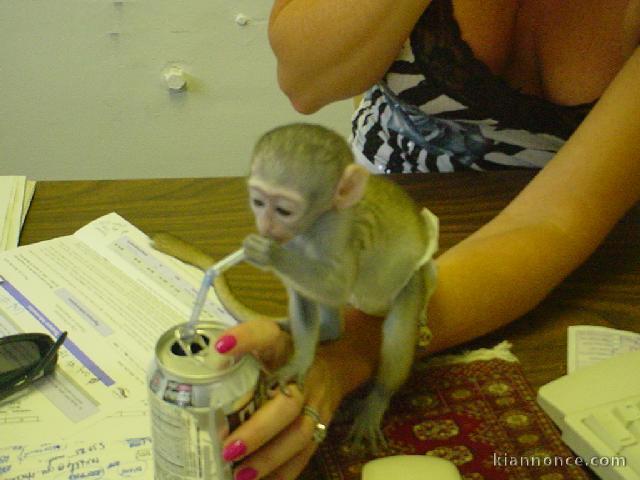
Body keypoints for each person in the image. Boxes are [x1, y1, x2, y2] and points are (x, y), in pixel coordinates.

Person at [216, 1, 640, 479]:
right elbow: (306, 80)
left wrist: (349, 349)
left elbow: (554, 219)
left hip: (594, 237)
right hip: (388, 209)